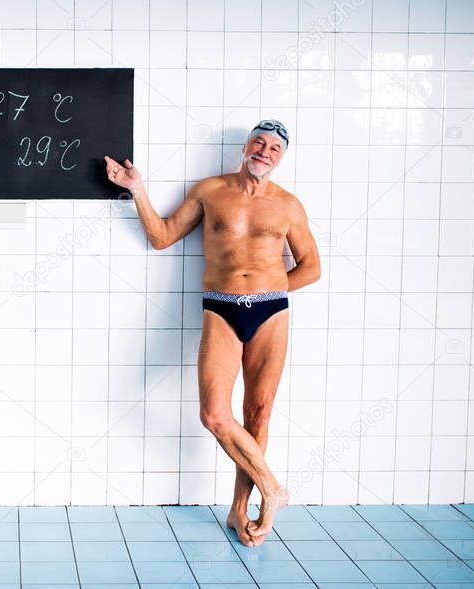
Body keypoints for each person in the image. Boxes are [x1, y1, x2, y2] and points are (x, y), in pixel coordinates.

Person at [104, 120, 321, 546]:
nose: (265, 151)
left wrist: (269, 289)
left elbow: (311, 267)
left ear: (281, 158)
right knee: (215, 415)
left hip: (270, 312)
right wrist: (137, 189)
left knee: (258, 413)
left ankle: (241, 509)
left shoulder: (289, 206)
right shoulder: (210, 191)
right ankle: (273, 489)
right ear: (245, 147)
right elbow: (162, 237)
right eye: (259, 142)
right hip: (221, 308)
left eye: (275, 148)